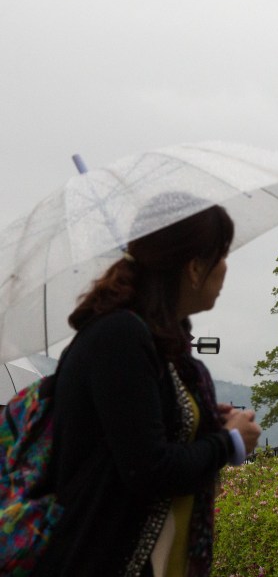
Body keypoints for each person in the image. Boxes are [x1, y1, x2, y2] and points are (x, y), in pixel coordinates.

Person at [35, 197, 261, 577]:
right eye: (221, 256)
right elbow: (148, 468)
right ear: (193, 267)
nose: (225, 269)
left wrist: (205, 423)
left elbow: (148, 430)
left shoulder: (159, 344)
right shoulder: (120, 337)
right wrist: (228, 442)